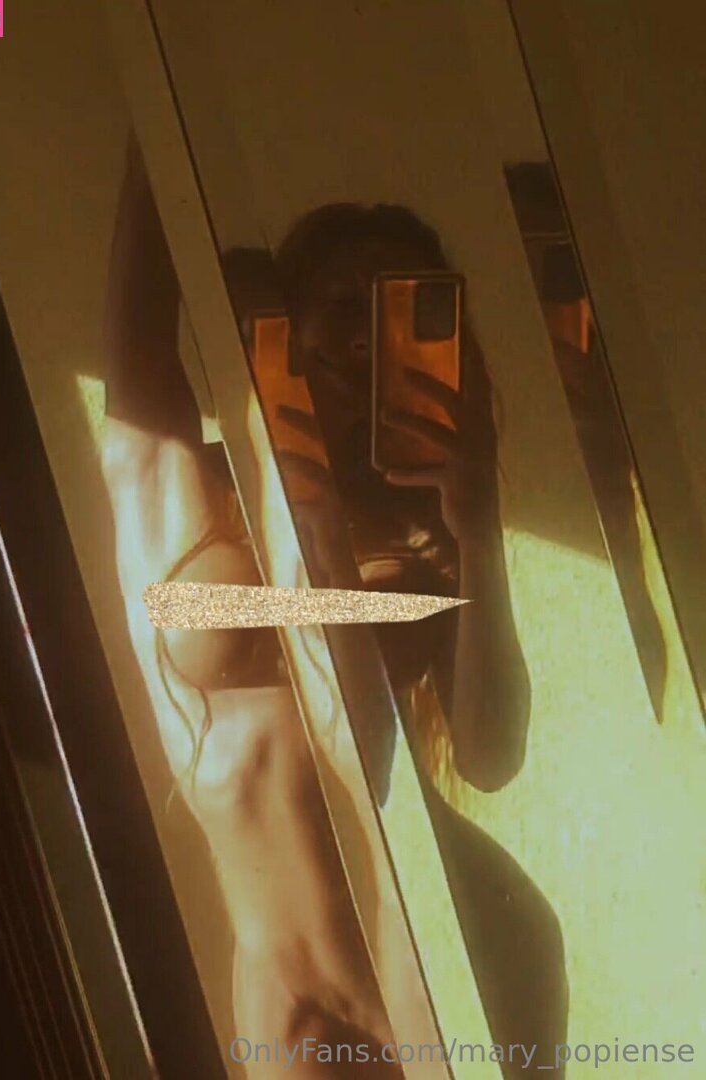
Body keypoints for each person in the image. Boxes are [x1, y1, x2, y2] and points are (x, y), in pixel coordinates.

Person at [102, 132, 567, 1077]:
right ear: (285, 320)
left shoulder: (422, 533)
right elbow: (136, 332)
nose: (362, 341)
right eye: (343, 307)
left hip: (438, 929)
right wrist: (160, 137)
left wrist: (477, 527)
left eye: (394, 314)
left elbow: (486, 755)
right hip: (280, 978)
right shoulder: (190, 493)